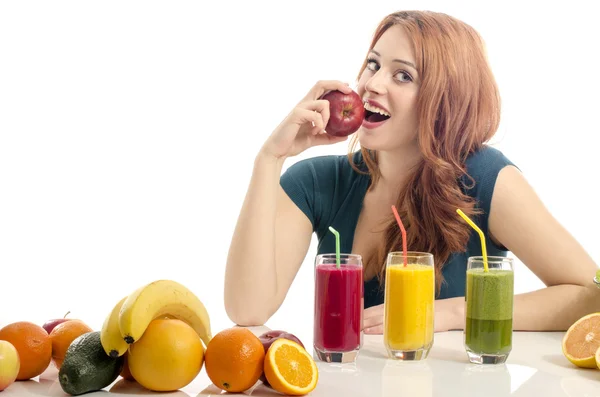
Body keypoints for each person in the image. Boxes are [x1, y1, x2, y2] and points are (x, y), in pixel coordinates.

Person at [223, 10, 600, 333]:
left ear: (444, 99)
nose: (372, 84)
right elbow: (247, 309)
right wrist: (269, 159)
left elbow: (589, 295)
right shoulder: (316, 182)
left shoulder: (484, 179)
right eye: (373, 64)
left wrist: (449, 312)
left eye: (402, 75)